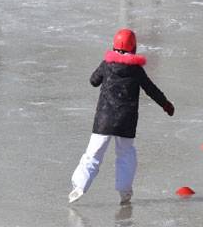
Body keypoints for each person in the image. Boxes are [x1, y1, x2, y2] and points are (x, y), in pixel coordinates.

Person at [69, 28, 174, 206]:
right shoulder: (136, 70)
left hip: (104, 120)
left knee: (93, 154)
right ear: (133, 48)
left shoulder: (107, 64)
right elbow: (151, 89)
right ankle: (124, 191)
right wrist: (165, 104)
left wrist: (104, 71)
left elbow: (93, 81)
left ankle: (79, 186)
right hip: (126, 121)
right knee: (126, 154)